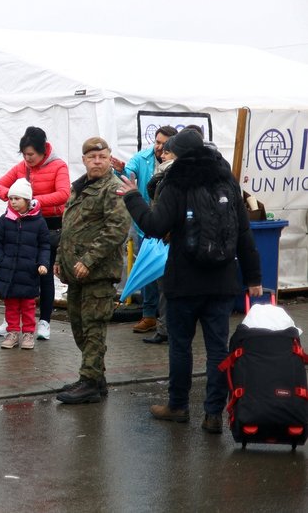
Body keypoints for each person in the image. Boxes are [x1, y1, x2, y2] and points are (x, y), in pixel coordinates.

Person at [119, 127, 262, 433]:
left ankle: (178, 405)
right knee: (217, 350)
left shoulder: (177, 181)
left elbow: (155, 226)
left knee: (181, 346)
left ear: (179, 155)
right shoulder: (227, 180)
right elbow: (243, 233)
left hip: (184, 282)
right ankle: (213, 414)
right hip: (222, 282)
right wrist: (253, 277)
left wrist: (132, 196)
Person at [54, 137, 131, 405]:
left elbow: (117, 230)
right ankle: (96, 378)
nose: (97, 161)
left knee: (93, 327)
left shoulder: (113, 188)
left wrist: (88, 260)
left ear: (110, 158)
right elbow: (69, 228)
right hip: (75, 272)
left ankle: (89, 381)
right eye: (92, 157)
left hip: (97, 272)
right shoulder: (80, 186)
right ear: (84, 159)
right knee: (79, 327)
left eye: (102, 156)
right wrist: (58, 259)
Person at [0, 126, 70, 340]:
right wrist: (14, 196)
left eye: (31, 155)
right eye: (25, 155)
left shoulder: (58, 166)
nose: (28, 159)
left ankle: (44, 321)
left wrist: (36, 201)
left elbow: (64, 193)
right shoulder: (21, 167)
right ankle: (11, 322)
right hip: (21, 225)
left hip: (48, 226)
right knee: (17, 273)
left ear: (43, 150)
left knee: (42, 273)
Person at [123, 125, 178, 334]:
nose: (159, 149)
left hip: (165, 230)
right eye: (157, 142)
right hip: (145, 224)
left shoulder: (177, 171)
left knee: (164, 275)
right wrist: (122, 170)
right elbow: (129, 170)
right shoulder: (143, 157)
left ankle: (165, 323)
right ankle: (148, 315)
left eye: (164, 146)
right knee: (147, 268)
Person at [0, 179, 50, 350]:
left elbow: (44, 245)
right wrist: (0, 261)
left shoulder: (38, 221)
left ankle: (29, 333)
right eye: (11, 198)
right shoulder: (5, 220)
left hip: (29, 272)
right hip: (9, 272)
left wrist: (42, 263)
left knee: (28, 306)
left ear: (27, 200)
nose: (13, 202)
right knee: (11, 305)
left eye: (17, 198)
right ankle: (13, 332)